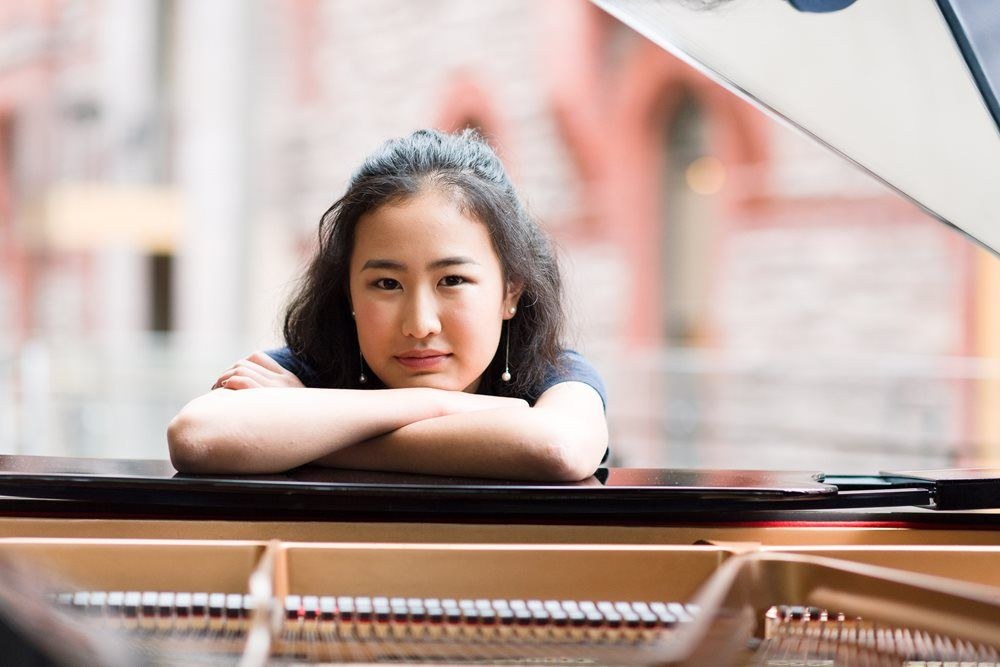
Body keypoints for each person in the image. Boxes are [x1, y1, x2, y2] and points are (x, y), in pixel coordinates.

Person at [167, 129, 608, 481]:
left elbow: (557, 448)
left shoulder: (554, 373)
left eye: (452, 280)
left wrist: (308, 431)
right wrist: (437, 405)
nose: (419, 324)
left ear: (510, 291)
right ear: (348, 293)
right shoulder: (312, 367)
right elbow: (197, 437)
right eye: (386, 283)